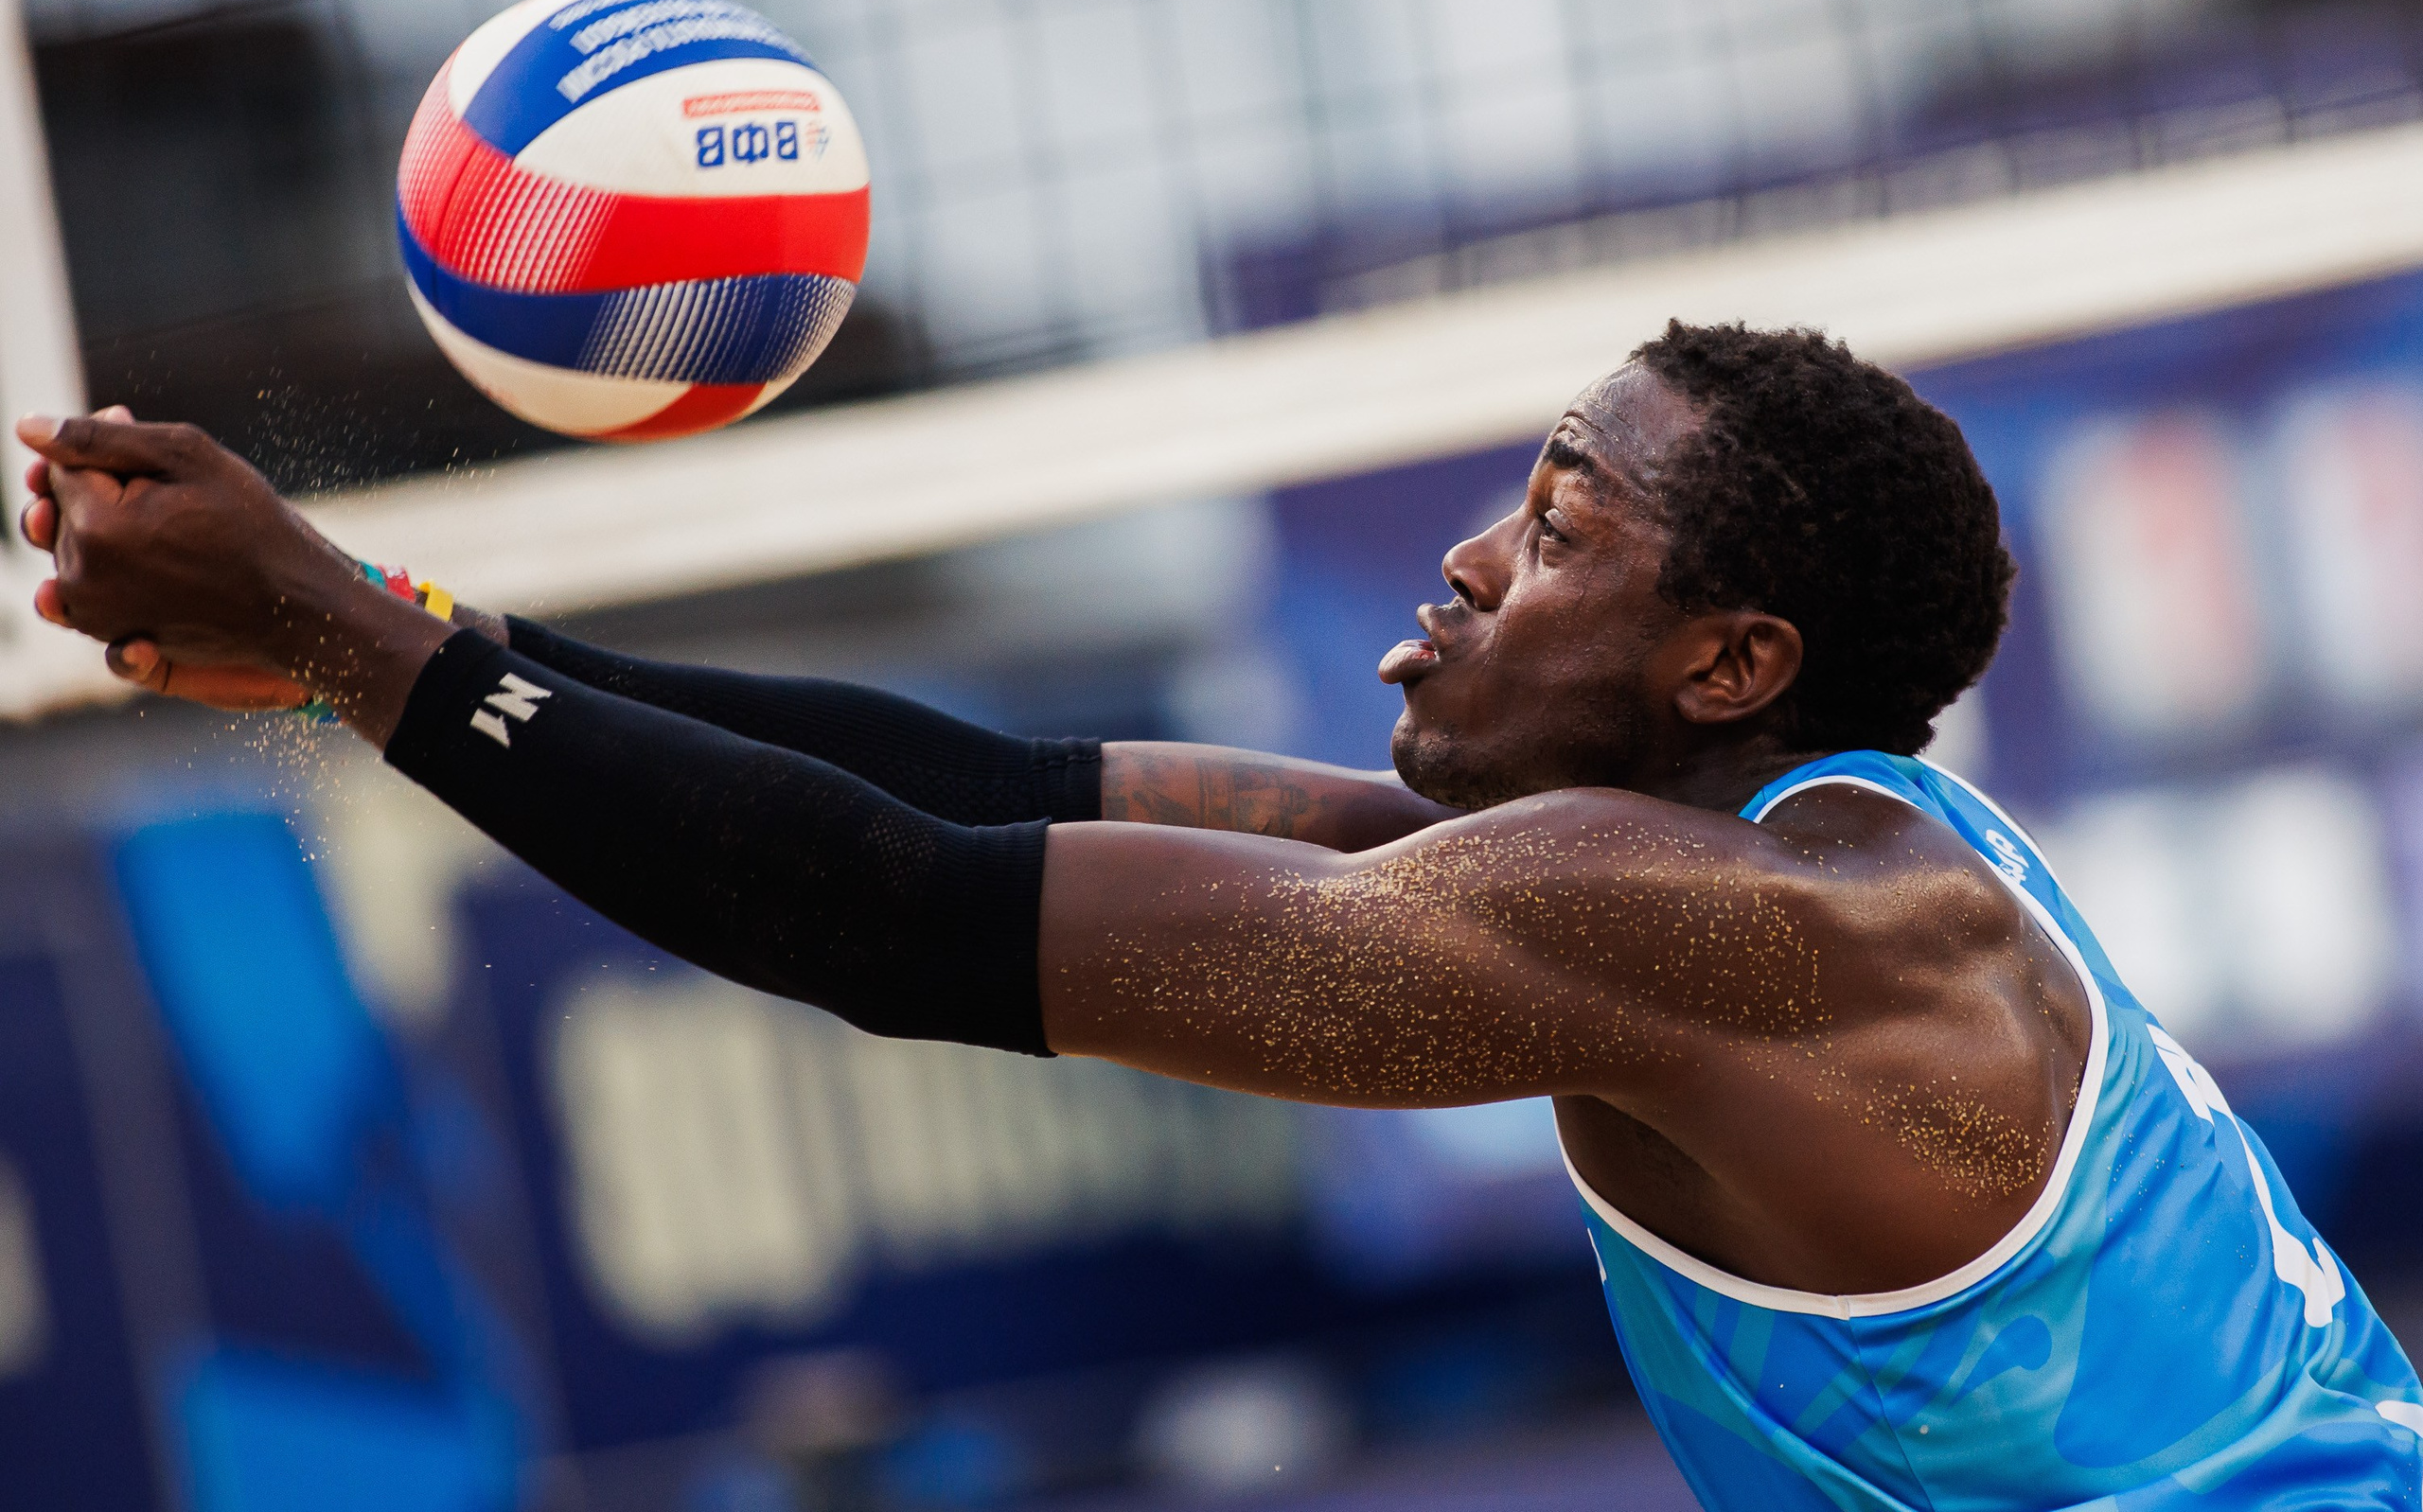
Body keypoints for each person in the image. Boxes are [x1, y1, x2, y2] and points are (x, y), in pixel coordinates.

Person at [18, 322, 2421, 1509]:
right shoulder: (1790, 862)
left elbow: (899, 915)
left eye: (1564, 519)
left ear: (1726, 665)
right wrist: (374, 617)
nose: (1475, 557)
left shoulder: (1707, 925)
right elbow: (976, 786)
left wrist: (343, 629)